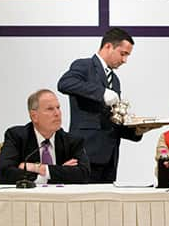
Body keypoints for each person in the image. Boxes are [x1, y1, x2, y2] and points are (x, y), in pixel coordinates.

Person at [58, 27, 148, 183]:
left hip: (110, 156)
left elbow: (110, 120)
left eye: (127, 55)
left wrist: (136, 130)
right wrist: (101, 93)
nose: (125, 60)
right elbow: (65, 83)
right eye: (123, 54)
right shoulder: (84, 66)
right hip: (86, 153)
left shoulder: (116, 80)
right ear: (108, 46)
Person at [0, 89, 90, 184]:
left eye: (58, 107)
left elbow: (84, 174)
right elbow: (5, 173)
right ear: (34, 116)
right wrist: (59, 172)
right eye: (50, 109)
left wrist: (39, 168)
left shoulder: (72, 141)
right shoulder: (17, 136)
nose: (57, 113)